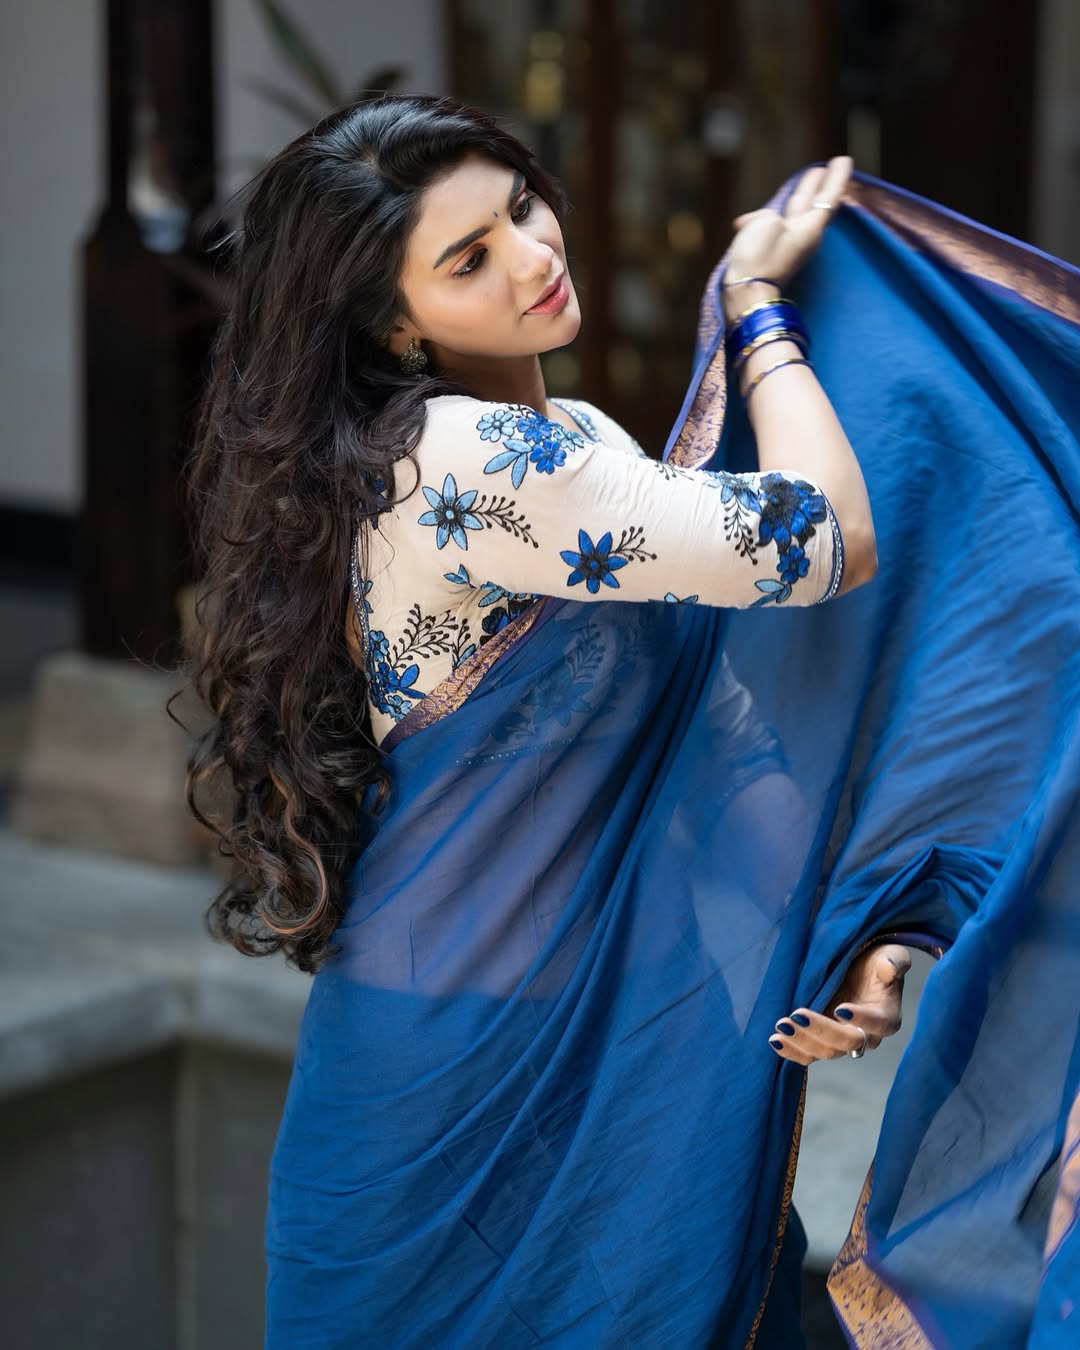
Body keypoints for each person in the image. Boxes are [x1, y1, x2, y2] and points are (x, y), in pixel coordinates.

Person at [184, 94, 1080, 1348]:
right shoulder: (459, 460)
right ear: (396, 325)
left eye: (521, 208)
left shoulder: (572, 441)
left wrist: (849, 929)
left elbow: (723, 738)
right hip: (452, 1078)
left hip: (612, 1030)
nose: (532, 256)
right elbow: (826, 536)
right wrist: (760, 310)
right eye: (469, 259)